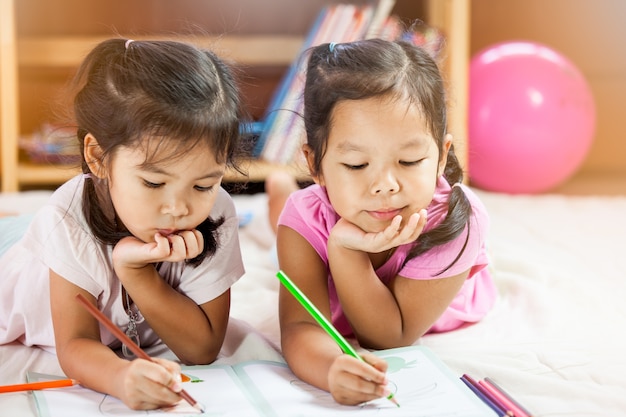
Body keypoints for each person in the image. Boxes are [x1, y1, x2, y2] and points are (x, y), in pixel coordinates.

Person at [0, 38, 246, 410]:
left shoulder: (216, 211)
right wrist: (120, 377)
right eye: (153, 182)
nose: (179, 208)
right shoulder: (67, 217)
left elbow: (202, 348)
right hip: (18, 271)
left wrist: (137, 274)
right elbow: (75, 345)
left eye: (203, 184)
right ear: (98, 157)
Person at [274, 39, 497, 406]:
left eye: (409, 161)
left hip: (433, 302)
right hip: (310, 216)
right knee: (284, 221)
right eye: (357, 165)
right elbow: (301, 326)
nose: (385, 186)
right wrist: (333, 368)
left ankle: (279, 190)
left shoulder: (456, 220)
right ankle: (279, 189)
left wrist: (344, 250)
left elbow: (388, 336)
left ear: (441, 156)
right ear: (315, 165)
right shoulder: (305, 219)